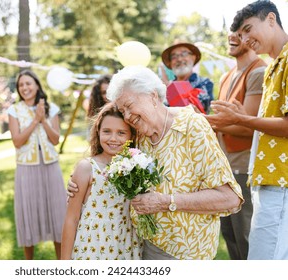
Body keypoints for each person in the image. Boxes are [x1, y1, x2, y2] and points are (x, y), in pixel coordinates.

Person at [68, 65, 243, 260]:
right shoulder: (139, 135)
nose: (126, 116)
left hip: (185, 253)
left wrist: (167, 202)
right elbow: (110, 161)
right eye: (121, 110)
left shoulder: (191, 126)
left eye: (128, 106)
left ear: (152, 96)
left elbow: (229, 197)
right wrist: (78, 182)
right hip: (142, 246)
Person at [205, 0, 288, 260]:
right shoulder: (274, 64)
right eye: (241, 35)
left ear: (271, 19)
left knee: (263, 260)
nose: (246, 38)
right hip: (266, 176)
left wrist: (242, 120)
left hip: (281, 180)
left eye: (249, 29)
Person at [209, 31, 267, 260]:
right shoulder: (226, 76)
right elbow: (224, 121)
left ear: (252, 38)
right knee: (230, 235)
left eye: (240, 33)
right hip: (223, 167)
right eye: (230, 33)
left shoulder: (259, 72)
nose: (232, 37)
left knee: (245, 238)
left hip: (243, 167)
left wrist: (205, 121)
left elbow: (249, 127)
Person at [61, 103, 142, 260]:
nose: (113, 138)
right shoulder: (87, 168)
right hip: (94, 248)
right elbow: (71, 219)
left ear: (131, 136)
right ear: (98, 132)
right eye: (107, 131)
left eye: (121, 133)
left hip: (125, 246)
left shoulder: (136, 167)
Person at [7, 69, 67, 260]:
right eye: (21, 85)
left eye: (28, 83)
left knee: (57, 215)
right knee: (29, 215)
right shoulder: (14, 110)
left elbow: (56, 139)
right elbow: (17, 141)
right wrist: (35, 121)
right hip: (27, 168)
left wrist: (44, 120)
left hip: (51, 166)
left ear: (37, 85)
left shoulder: (52, 108)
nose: (25, 87)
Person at [161, 42, 214, 113]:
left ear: (193, 57)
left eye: (184, 54)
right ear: (170, 63)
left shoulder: (204, 82)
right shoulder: (165, 88)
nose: (179, 59)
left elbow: (202, 109)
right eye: (174, 56)